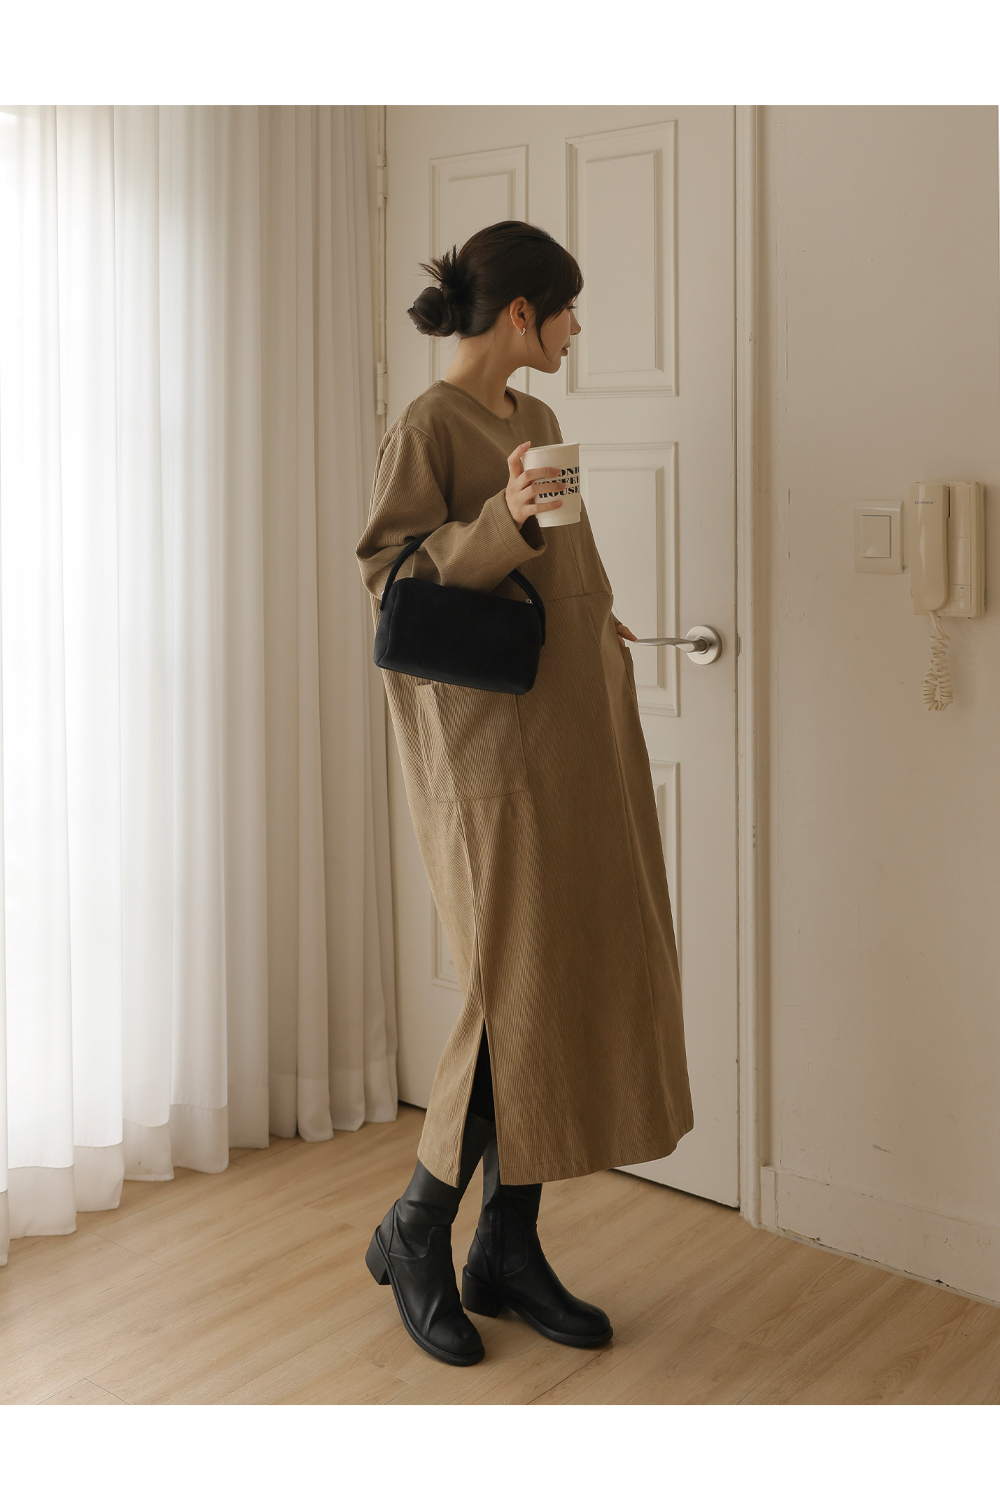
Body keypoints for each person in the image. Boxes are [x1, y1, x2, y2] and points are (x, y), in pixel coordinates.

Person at [355, 220, 693, 1368]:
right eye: (566, 310)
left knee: (556, 976)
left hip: (570, 720)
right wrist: (499, 517)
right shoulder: (427, 425)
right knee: (509, 986)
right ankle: (416, 1229)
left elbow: (561, 557)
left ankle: (507, 1247)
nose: (575, 328)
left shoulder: (537, 418)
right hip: (481, 746)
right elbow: (390, 580)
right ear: (519, 314)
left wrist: (601, 619)